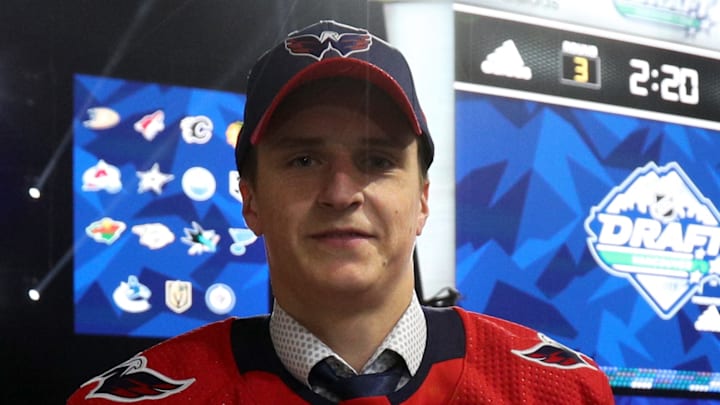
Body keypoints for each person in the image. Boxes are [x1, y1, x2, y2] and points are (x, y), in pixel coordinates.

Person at [68, 20, 614, 404]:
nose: (340, 191)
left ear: (422, 198)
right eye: (304, 159)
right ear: (250, 198)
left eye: (376, 160)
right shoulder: (137, 399)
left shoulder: (559, 391)